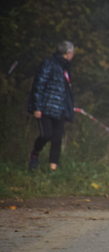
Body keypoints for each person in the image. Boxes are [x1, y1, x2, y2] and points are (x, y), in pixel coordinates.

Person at [27, 41, 76, 171]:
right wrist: (37, 107)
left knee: (57, 139)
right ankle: (35, 153)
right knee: (46, 135)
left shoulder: (66, 68)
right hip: (45, 108)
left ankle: (52, 171)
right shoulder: (48, 64)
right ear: (68, 53)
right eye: (73, 53)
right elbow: (38, 85)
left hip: (60, 109)